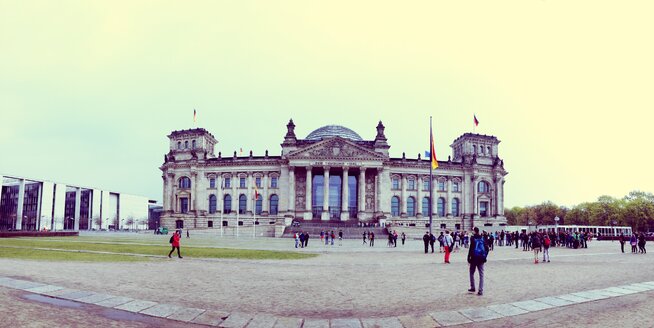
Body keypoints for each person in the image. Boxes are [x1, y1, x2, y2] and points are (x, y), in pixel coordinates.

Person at [467, 227, 488, 296]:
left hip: (474, 258)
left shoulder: (472, 238)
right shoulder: (483, 238)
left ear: (474, 231)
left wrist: (468, 258)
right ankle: (480, 290)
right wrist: (485, 256)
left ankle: (473, 287)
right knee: (481, 274)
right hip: (481, 258)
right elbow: (487, 249)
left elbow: (471, 248)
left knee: (471, 273)